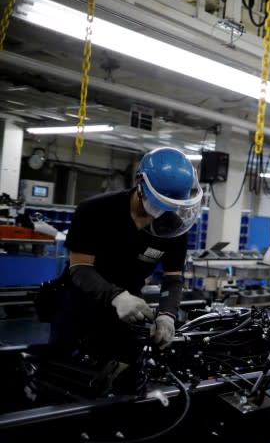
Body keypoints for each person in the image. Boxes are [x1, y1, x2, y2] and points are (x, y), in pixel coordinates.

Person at [49, 148, 203, 389]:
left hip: (129, 310)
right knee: (66, 382)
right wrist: (116, 296)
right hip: (80, 305)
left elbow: (172, 278)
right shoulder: (96, 211)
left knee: (126, 380)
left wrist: (167, 315)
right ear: (141, 184)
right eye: (160, 202)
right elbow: (79, 269)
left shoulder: (173, 226)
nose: (163, 212)